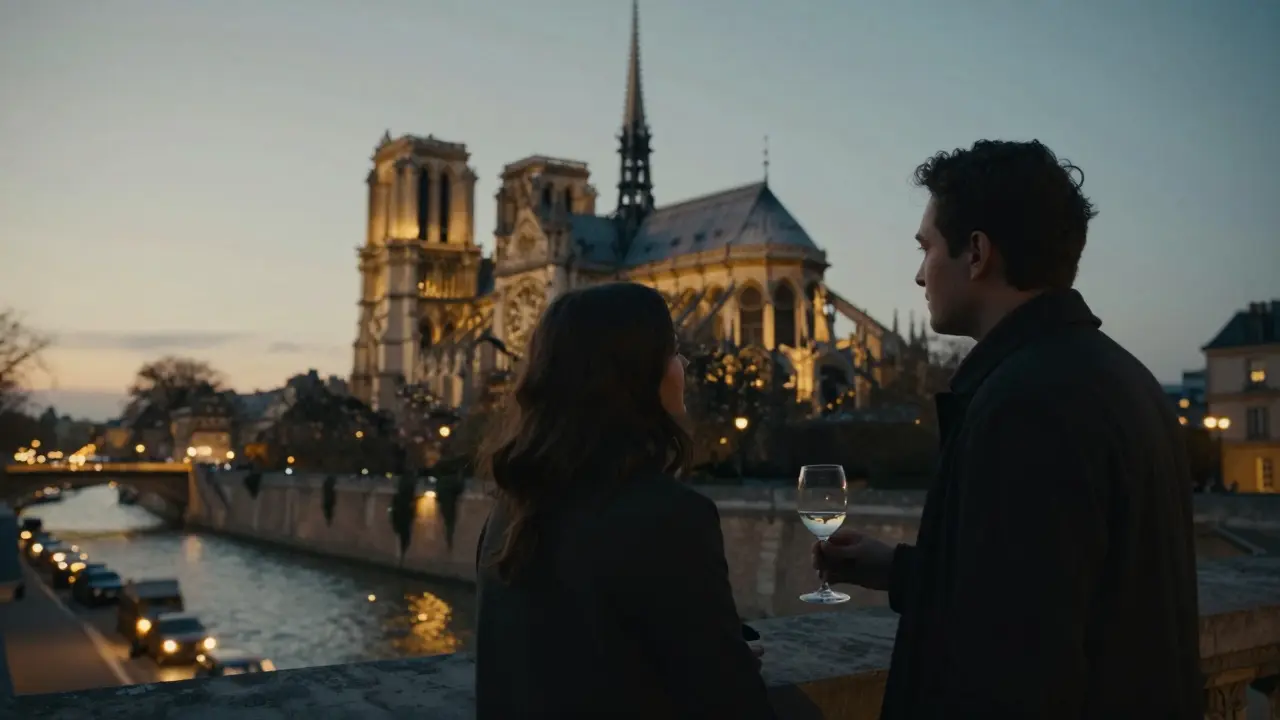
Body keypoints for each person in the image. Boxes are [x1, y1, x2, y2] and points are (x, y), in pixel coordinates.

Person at [814, 140, 1203, 718]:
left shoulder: (1025, 405)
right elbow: (1035, 592)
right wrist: (897, 569)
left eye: (926, 248)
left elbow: (1014, 662)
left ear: (976, 253)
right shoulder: (1126, 378)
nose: (919, 274)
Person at [474, 282, 773, 719]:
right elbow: (734, 704)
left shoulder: (508, 513)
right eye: (673, 352)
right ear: (639, 377)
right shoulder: (670, 517)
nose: (683, 365)